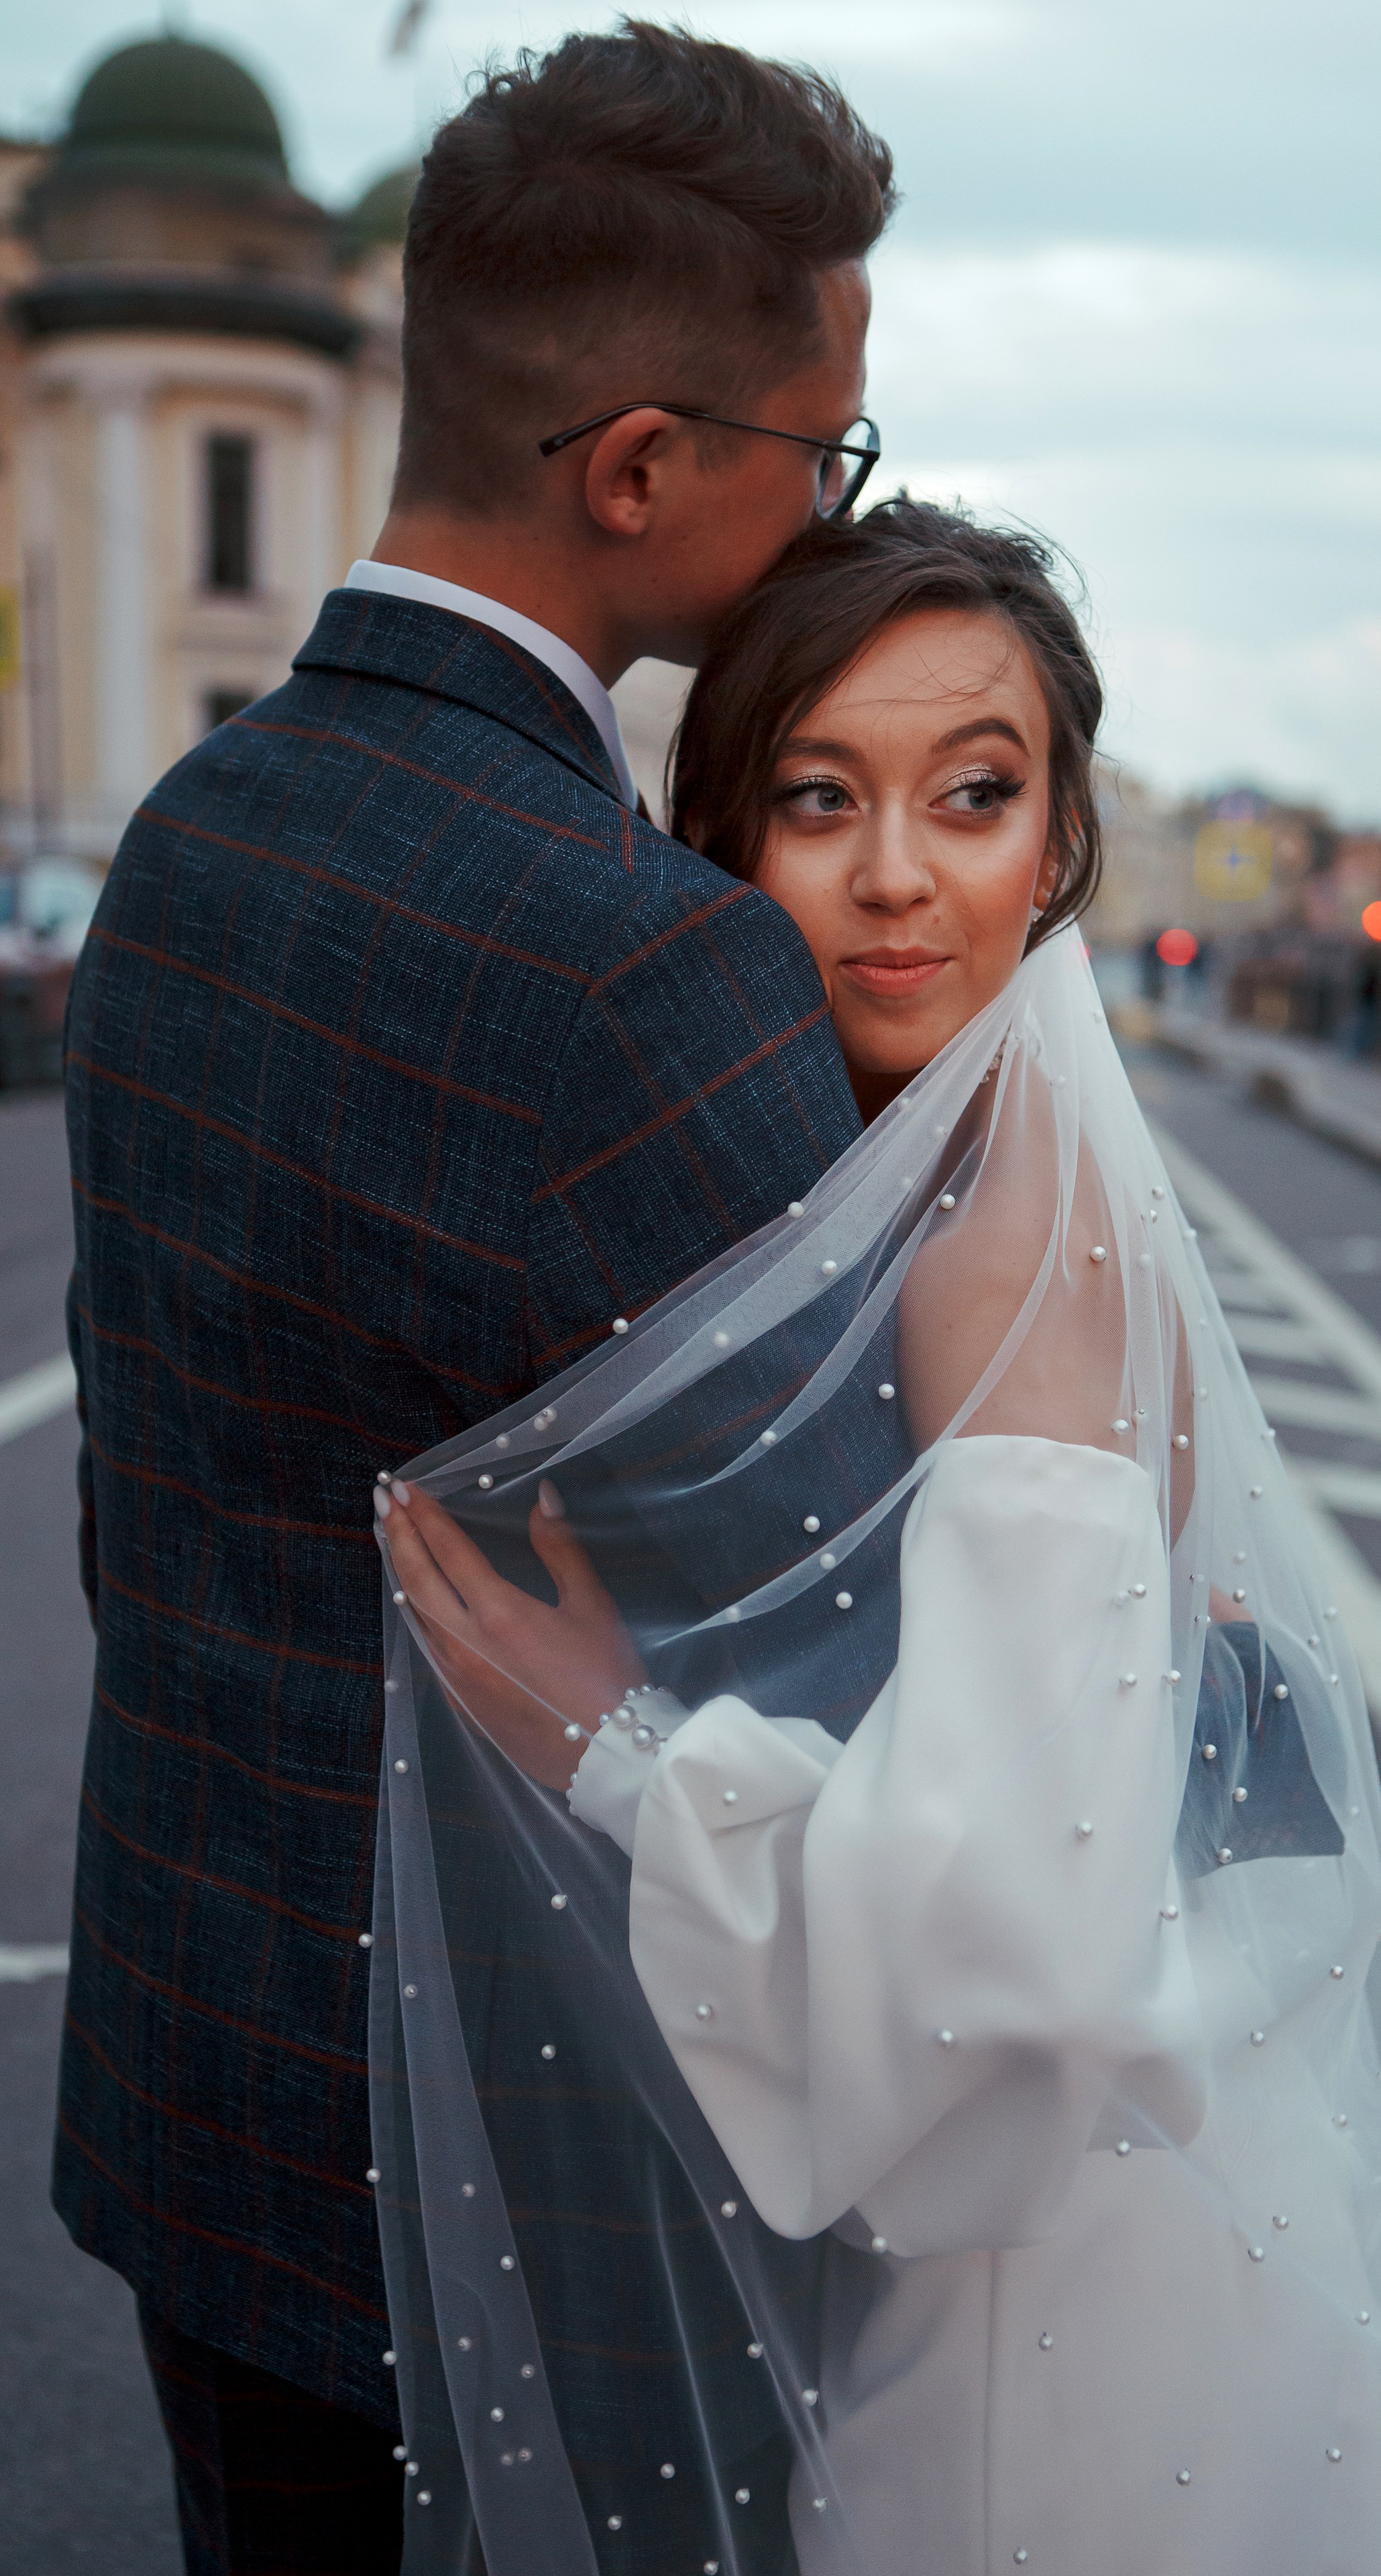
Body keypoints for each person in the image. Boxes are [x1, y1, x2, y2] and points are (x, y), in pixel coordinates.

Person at [374, 501, 1381, 2575]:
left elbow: (1030, 1988)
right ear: (726, 845)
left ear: (1058, 845)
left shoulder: (1001, 1251)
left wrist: (624, 1752)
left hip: (1067, 2339)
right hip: (1176, 2235)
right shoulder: (1012, 1164)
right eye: (822, 800)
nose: (898, 875)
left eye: (973, 797)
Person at [54, 26, 893, 2573]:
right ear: (639, 468)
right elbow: (844, 1645)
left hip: (201, 2101)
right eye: (820, 453)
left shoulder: (181, 843)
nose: (834, 508)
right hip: (520, 2181)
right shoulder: (643, 969)